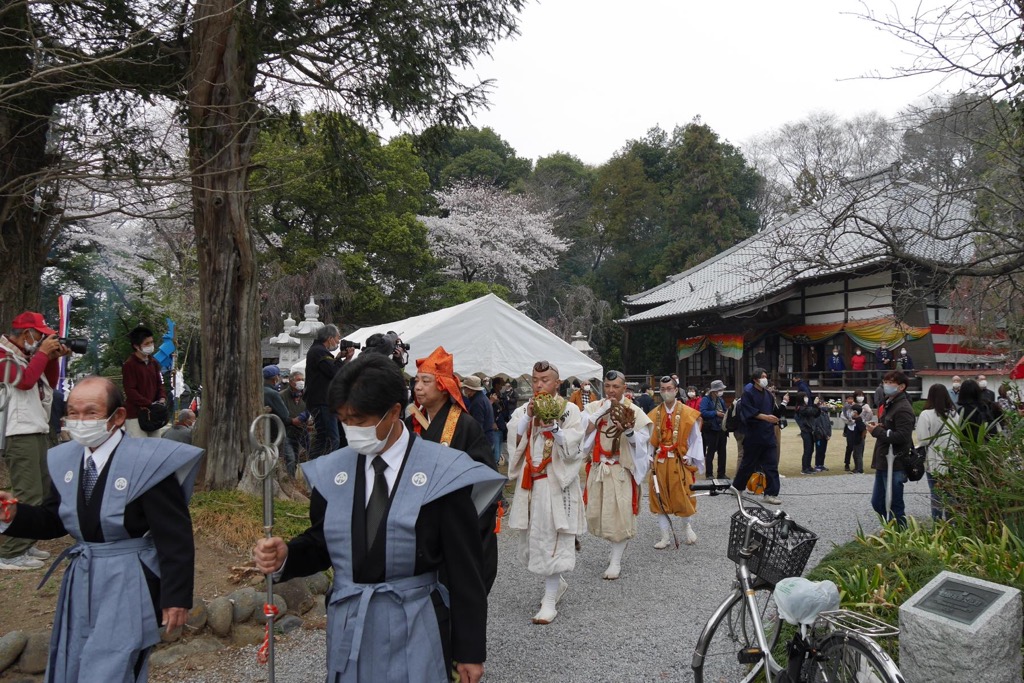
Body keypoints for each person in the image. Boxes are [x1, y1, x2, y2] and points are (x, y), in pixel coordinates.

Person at [252, 354, 503, 683]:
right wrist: (288, 554)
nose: (351, 429)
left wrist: (469, 650)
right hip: (351, 624)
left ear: (395, 412)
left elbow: (464, 566)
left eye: (359, 419)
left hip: (416, 621)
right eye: (343, 420)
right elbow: (323, 542)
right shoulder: (334, 471)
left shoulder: (441, 472)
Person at [0, 376, 202, 682]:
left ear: (117, 416)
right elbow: (57, 520)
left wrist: (176, 597)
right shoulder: (64, 459)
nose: (79, 421)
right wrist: (13, 514)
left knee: (114, 664)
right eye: (72, 412)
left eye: (91, 413)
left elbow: (174, 536)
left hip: (130, 576)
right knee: (76, 656)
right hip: (82, 577)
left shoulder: (147, 463)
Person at [408, 347, 499, 592]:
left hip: (453, 520)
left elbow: (484, 479)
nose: (418, 387)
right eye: (416, 381)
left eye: (426, 381)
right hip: (416, 519)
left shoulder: (465, 425)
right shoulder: (411, 421)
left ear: (443, 386)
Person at [506, 360, 585, 624]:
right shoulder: (523, 411)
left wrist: (556, 431)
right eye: (535, 380)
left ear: (557, 383)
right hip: (531, 483)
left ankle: (549, 600)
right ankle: (557, 583)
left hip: (555, 483)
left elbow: (577, 448)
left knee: (554, 538)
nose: (539, 385)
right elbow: (514, 444)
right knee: (532, 542)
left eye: (545, 380)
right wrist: (528, 418)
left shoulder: (569, 410)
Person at [0, 312, 69, 570]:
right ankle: (10, 552)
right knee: (27, 492)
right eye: (39, 334)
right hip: (17, 432)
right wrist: (42, 354)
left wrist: (51, 358)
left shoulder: (27, 356)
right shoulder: (2, 355)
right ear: (25, 332)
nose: (41, 339)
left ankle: (26, 543)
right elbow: (25, 381)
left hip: (35, 428)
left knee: (41, 490)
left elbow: (48, 383)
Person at [581, 370, 652, 580]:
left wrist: (629, 431)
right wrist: (600, 413)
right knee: (598, 514)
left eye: (616, 387)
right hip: (598, 469)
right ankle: (614, 553)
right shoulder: (594, 407)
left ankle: (616, 560)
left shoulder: (635, 411)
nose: (611, 391)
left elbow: (642, 444)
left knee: (620, 516)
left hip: (620, 469)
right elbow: (581, 433)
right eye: (608, 386)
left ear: (624, 388)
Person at [647, 376, 703, 549]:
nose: (666, 392)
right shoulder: (654, 413)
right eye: (662, 389)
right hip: (661, 461)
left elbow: (696, 438)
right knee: (659, 497)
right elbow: (649, 440)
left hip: (680, 460)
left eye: (669, 388)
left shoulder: (687, 412)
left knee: (684, 494)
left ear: (676, 390)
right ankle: (665, 536)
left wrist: (691, 456)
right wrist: (649, 457)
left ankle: (687, 527)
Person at [867, 370, 916, 526]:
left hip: (895, 462)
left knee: (894, 504)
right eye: (885, 382)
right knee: (878, 502)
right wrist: (881, 427)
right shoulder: (890, 403)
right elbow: (891, 428)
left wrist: (878, 431)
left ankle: (900, 536)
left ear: (901, 387)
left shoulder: (903, 408)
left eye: (890, 383)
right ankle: (890, 530)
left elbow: (902, 436)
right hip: (884, 459)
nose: (886, 386)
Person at [733, 368, 783, 506]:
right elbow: (748, 412)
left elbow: (773, 411)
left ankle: (770, 494)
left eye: (766, 376)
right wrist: (766, 417)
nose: (764, 379)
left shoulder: (768, 394)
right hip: (754, 434)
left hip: (768, 434)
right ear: (755, 379)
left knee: (771, 465)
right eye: (762, 377)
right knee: (748, 464)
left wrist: (780, 408)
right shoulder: (748, 394)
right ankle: (737, 487)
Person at [916, 384, 960, 520]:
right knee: (951, 493)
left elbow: (923, 439)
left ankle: (938, 523)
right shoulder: (955, 414)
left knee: (936, 493)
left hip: (934, 458)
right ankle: (952, 522)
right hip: (952, 458)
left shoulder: (926, 414)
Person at [304, 324, 346, 459]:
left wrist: (340, 358)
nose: (339, 341)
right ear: (330, 338)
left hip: (322, 401)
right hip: (322, 401)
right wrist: (339, 360)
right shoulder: (319, 351)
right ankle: (318, 469)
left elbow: (333, 370)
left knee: (325, 438)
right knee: (330, 440)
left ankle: (312, 467)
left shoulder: (317, 350)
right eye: (338, 338)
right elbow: (334, 372)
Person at [122, 326, 167, 438]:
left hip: (153, 414)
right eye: (147, 344)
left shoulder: (154, 363)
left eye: (151, 342)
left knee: (155, 446)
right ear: (136, 346)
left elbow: (160, 383)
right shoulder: (129, 365)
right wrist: (148, 403)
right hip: (135, 415)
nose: (150, 346)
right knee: (139, 448)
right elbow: (130, 391)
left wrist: (161, 398)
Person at [262, 365, 296, 476]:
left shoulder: (260, 390)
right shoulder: (273, 393)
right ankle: (288, 480)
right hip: (277, 431)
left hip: (263, 432)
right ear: (275, 378)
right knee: (288, 458)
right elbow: (285, 415)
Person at [698, 379, 728, 479]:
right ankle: (709, 473)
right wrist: (715, 413)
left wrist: (724, 413)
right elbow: (703, 412)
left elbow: (725, 410)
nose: (721, 391)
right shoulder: (706, 399)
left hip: (722, 428)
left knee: (722, 452)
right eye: (720, 389)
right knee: (710, 451)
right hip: (711, 429)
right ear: (715, 390)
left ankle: (721, 473)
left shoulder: (721, 400)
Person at [461, 375, 496, 456]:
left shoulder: (477, 402)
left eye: (465, 388)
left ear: (470, 389)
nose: (464, 390)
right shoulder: (482, 398)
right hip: (487, 440)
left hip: (483, 443)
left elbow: (477, 426)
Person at [280, 369, 308, 472]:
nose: (301, 382)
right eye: (298, 380)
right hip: (287, 433)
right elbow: (279, 415)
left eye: (302, 379)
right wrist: (292, 421)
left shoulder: (306, 396)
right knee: (290, 459)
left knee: (298, 460)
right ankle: (290, 481)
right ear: (291, 382)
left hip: (302, 433)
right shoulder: (282, 396)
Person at [957, 378, 998, 442]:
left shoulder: (961, 411)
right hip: (985, 445)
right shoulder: (984, 407)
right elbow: (992, 428)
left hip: (967, 446)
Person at [488, 377, 513, 466]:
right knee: (495, 448)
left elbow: (505, 409)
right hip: (494, 425)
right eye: (501, 384)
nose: (502, 386)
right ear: (496, 385)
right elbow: (489, 410)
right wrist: (492, 422)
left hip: (502, 424)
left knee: (499, 446)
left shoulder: (502, 395)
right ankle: (494, 464)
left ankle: (496, 462)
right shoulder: (489, 395)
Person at [794, 393, 819, 475]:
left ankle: (808, 466)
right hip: (806, 431)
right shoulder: (801, 408)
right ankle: (805, 468)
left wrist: (816, 407)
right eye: (805, 397)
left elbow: (815, 413)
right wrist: (815, 405)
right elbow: (811, 412)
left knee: (811, 449)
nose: (806, 398)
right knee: (807, 449)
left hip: (809, 430)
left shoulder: (805, 407)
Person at [843, 406, 866, 473]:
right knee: (855, 454)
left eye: (852, 411)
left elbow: (864, 430)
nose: (851, 413)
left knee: (858, 455)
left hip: (859, 441)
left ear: (856, 412)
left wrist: (861, 438)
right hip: (855, 440)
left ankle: (859, 469)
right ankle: (856, 468)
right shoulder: (855, 420)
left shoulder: (859, 420)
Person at [811, 397, 832, 472]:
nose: (824, 405)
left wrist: (829, 434)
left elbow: (828, 425)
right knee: (819, 450)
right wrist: (825, 434)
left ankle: (821, 464)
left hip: (825, 436)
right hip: (819, 436)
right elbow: (818, 426)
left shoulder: (825, 414)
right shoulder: (817, 414)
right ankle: (817, 465)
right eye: (822, 404)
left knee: (823, 451)